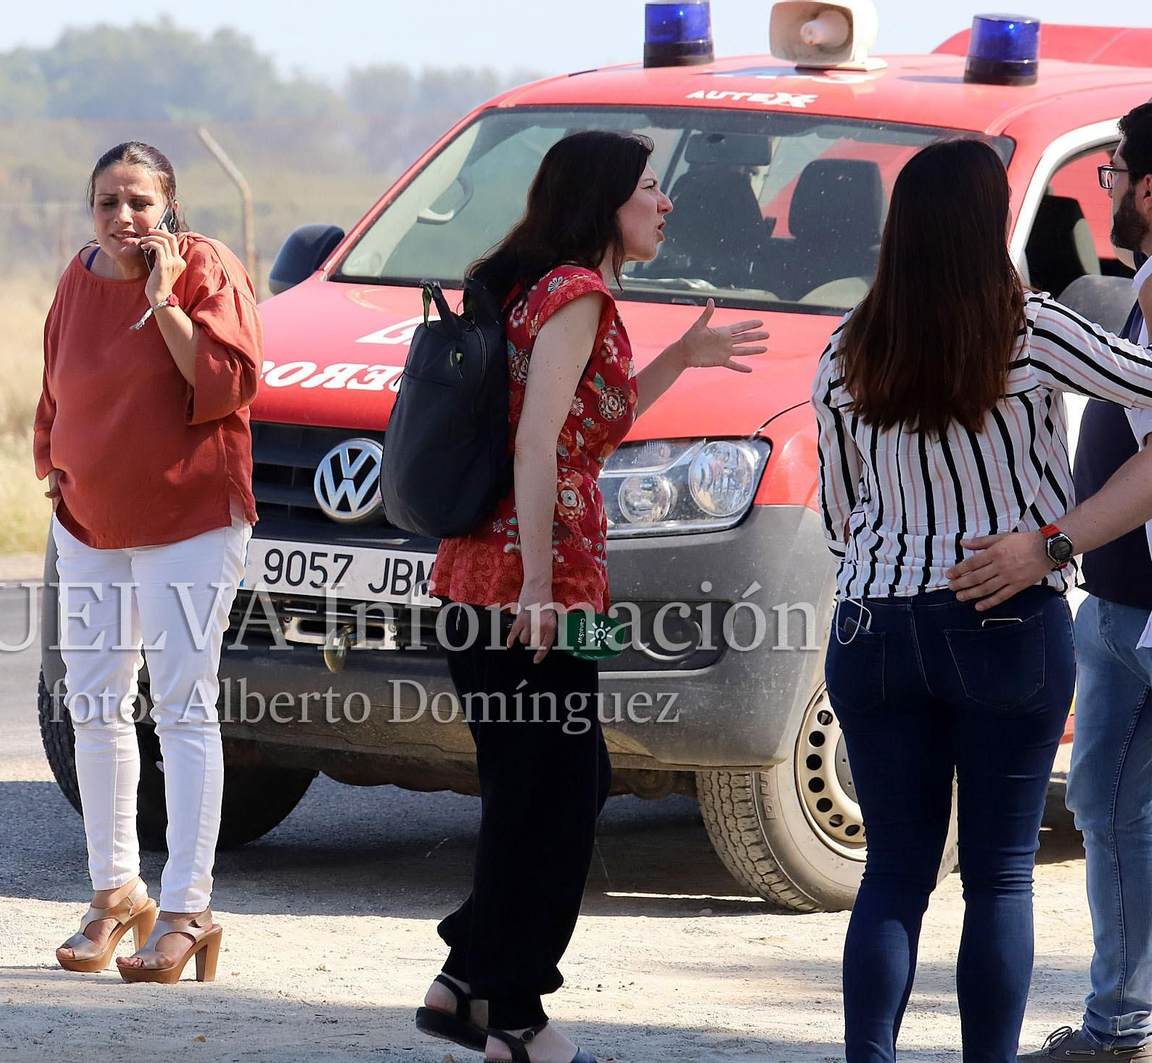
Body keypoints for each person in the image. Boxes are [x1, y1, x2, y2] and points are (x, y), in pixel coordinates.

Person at [415, 129, 770, 1063]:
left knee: (542, 789)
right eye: (652, 187)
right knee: (558, 797)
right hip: (536, 583)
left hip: (496, 576)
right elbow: (538, 448)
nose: (666, 202)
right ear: (608, 201)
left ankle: (471, 988)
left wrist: (682, 359)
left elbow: (581, 435)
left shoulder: (551, 290)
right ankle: (514, 1013)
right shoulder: (578, 294)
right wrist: (536, 584)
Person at [814, 136, 1152, 1063]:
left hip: (874, 623)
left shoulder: (845, 348)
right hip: (1004, 613)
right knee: (1000, 878)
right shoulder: (1031, 328)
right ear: (987, 225)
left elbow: (842, 515)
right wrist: (1051, 540)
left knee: (892, 875)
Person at [944, 104, 1152, 1063]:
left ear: (1149, 189)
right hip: (1118, 607)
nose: (1101, 191)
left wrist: (1051, 545)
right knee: (1110, 814)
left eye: (1110, 173)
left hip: (1113, 594)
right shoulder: (1140, 285)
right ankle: (1122, 1022)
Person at [34, 141, 262, 984]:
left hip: (190, 519)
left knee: (181, 708)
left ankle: (189, 906)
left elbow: (228, 383)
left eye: (138, 202)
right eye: (106, 203)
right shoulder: (77, 275)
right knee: (93, 701)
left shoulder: (207, 268)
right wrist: (50, 460)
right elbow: (56, 378)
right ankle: (114, 890)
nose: (122, 219)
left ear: (169, 204)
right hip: (90, 519)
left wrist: (163, 300)